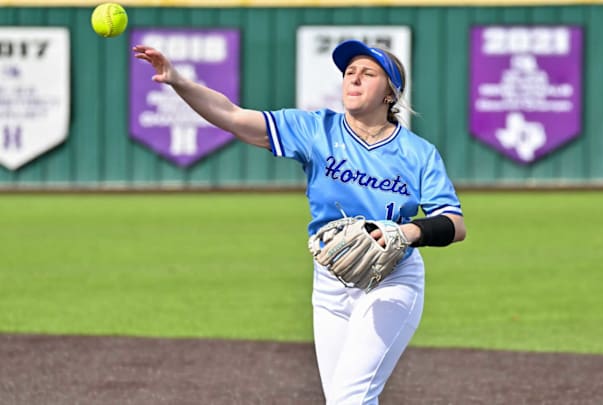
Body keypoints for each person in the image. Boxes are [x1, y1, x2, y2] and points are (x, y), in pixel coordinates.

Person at [133, 39, 466, 404]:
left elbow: (454, 223)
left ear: (390, 94)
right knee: (341, 399)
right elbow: (231, 115)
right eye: (349, 73)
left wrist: (404, 231)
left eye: (367, 73)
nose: (353, 80)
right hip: (330, 281)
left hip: (392, 280)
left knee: (349, 398)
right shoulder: (315, 130)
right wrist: (178, 80)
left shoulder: (417, 153)